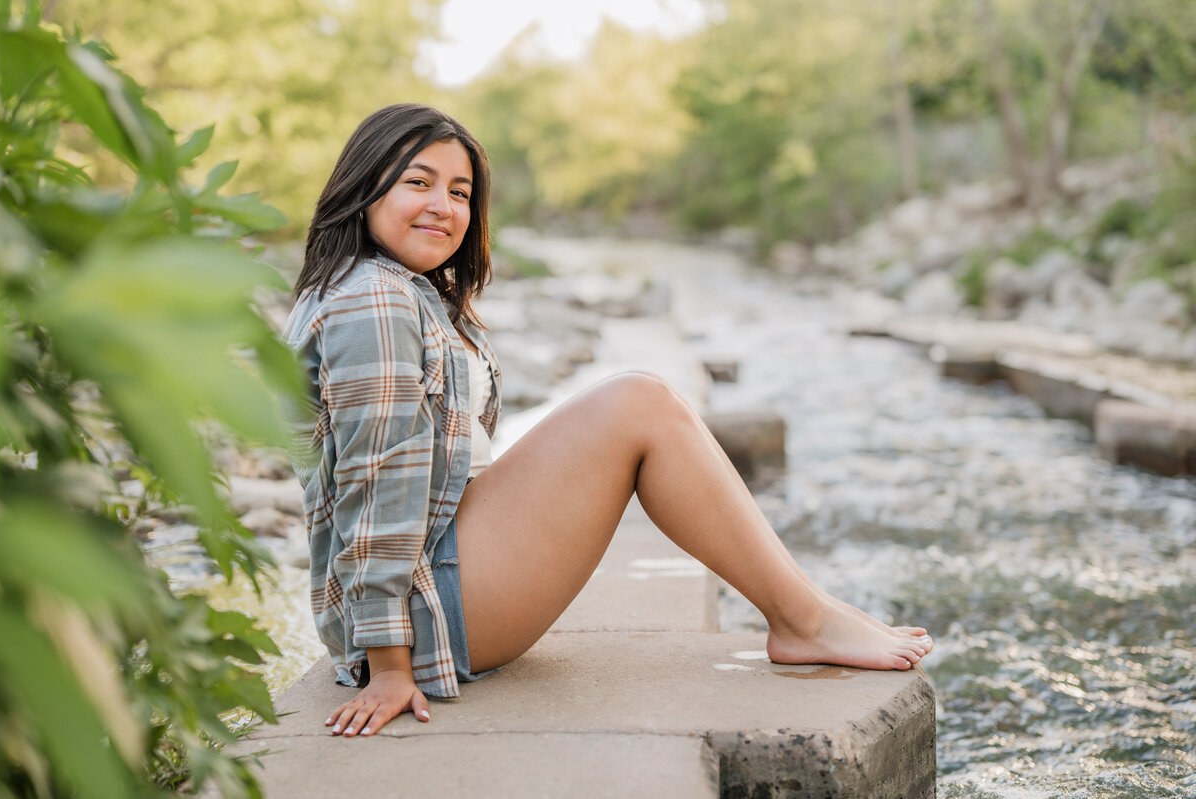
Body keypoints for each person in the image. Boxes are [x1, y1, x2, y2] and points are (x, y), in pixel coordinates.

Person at [284, 103, 933, 739]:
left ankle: (808, 609)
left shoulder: (385, 289)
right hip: (425, 613)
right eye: (417, 182)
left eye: (460, 191)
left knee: (644, 399)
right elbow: (381, 483)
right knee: (639, 403)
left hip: (439, 579)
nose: (445, 206)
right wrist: (391, 664)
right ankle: (804, 619)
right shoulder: (371, 300)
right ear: (363, 187)